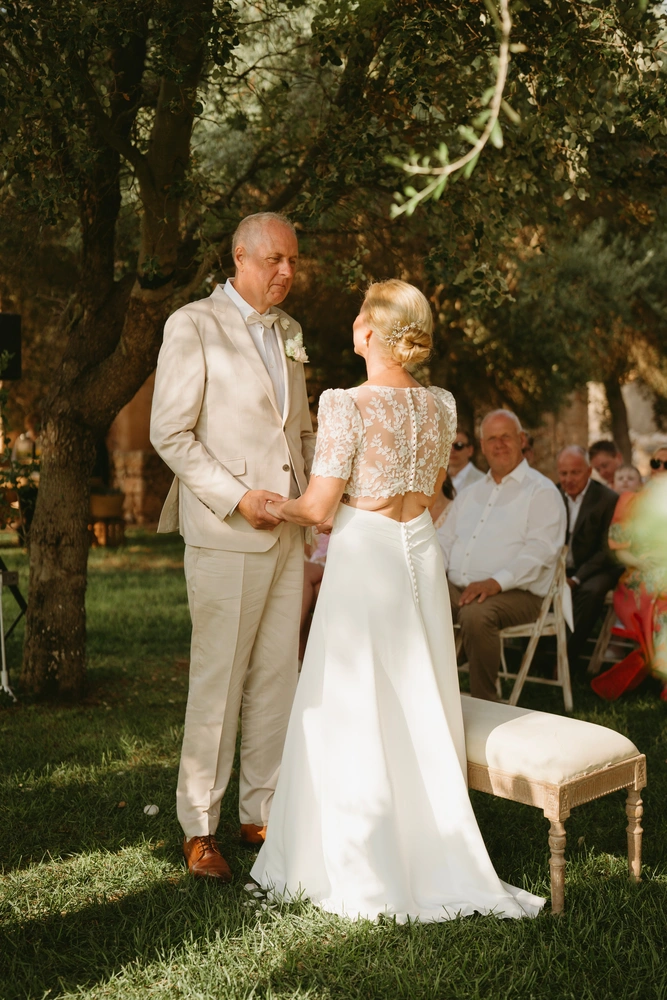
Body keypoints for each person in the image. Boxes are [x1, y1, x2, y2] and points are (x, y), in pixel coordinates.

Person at [250, 279, 544, 922]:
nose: (354, 322)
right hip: (419, 551)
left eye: (360, 314)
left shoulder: (345, 404)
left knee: (351, 702)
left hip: (366, 557)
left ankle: (356, 861)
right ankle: (432, 848)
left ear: (371, 332)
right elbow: (435, 490)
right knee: (419, 698)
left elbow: (321, 512)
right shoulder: (442, 404)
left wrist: (271, 503)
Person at [150, 212, 316, 882]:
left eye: (293, 262)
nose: (286, 272)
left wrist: (310, 504)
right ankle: (199, 826)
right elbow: (171, 433)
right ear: (239, 256)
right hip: (228, 531)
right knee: (218, 680)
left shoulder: (290, 333)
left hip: (289, 535)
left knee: (277, 675)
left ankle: (261, 811)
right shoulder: (192, 324)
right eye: (275, 260)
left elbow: (296, 433)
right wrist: (240, 497)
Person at [439, 410, 566, 701]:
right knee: (416, 591)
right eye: (491, 439)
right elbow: (443, 542)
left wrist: (494, 582)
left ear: (522, 440)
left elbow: (540, 552)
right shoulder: (470, 494)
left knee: (476, 614)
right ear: (482, 446)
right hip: (460, 588)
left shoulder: (541, 491)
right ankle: (425, 687)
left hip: (520, 594)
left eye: (506, 437)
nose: (499, 445)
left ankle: (486, 701)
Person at [592, 445, 667, 700]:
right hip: (639, 572)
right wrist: (643, 563)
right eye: (656, 463)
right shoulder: (632, 500)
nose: (661, 469)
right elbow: (620, 549)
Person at [556, 445, 623, 667]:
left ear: (588, 471)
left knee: (590, 591)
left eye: (575, 472)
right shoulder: (552, 494)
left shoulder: (607, 498)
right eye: (563, 473)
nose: (568, 479)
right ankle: (537, 655)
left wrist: (575, 579)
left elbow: (606, 550)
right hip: (562, 566)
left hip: (600, 566)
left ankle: (567, 660)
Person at [299, 530, 329, 659]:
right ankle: (300, 657)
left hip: (331, 563)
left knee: (302, 572)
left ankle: (290, 640)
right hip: (317, 561)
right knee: (305, 589)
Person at [447, 427, 485, 493]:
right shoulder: (434, 481)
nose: (452, 450)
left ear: (470, 450)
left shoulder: (482, 480)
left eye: (458, 445)